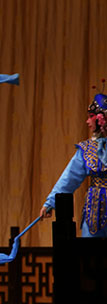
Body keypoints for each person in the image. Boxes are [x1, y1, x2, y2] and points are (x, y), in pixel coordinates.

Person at [40, 92, 107, 236]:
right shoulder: (87, 149)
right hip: (96, 208)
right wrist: (50, 202)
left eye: (91, 117)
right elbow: (69, 177)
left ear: (101, 119)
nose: (87, 122)